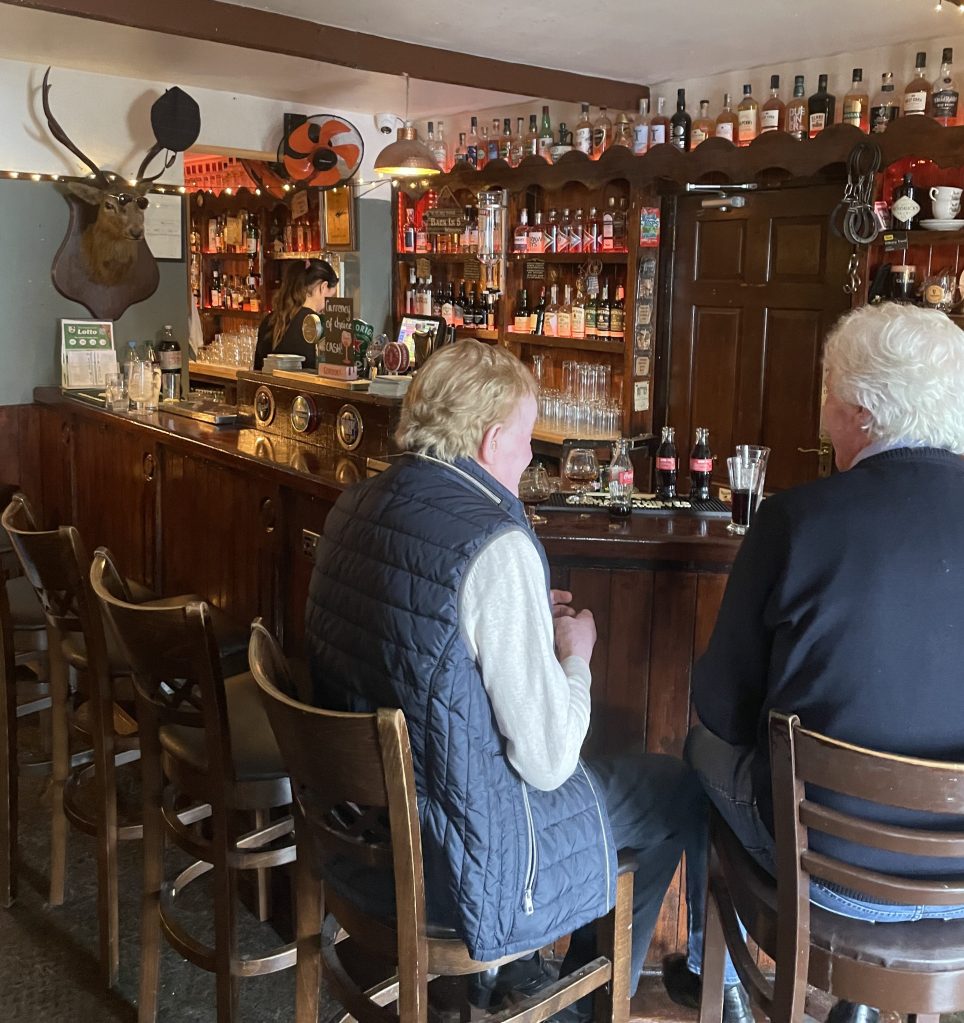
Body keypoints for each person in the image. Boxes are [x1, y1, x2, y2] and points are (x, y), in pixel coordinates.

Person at [304, 339, 722, 1020]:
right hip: (462, 865)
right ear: (494, 437)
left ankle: (523, 974)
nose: (531, 458)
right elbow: (549, 759)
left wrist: (523, 626)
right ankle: (574, 1004)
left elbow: (426, 654)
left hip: (358, 847)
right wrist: (574, 652)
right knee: (675, 791)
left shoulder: (354, 504)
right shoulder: (493, 543)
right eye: (528, 440)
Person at [673, 303, 964, 1023]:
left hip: (825, 876)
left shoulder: (797, 520)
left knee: (698, 746)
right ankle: (860, 1003)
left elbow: (722, 706)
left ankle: (715, 974)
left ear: (860, 412)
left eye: (828, 396)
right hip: (959, 880)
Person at [253, 257, 338, 370]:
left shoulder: (269, 320)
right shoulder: (319, 325)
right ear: (323, 287)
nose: (327, 306)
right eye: (330, 297)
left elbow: (257, 371)